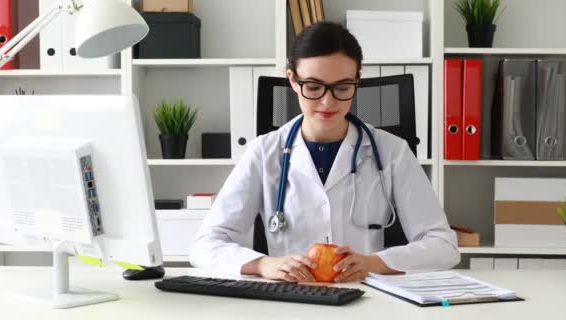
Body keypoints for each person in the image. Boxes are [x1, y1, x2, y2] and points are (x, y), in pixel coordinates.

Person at [190, 22, 460, 282]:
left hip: (368, 298)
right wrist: (263, 264)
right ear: (293, 81)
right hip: (289, 299)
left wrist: (375, 262)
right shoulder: (264, 152)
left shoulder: (392, 152)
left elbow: (443, 246)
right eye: (314, 86)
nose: (328, 101)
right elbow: (205, 245)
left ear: (357, 81)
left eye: (342, 87)